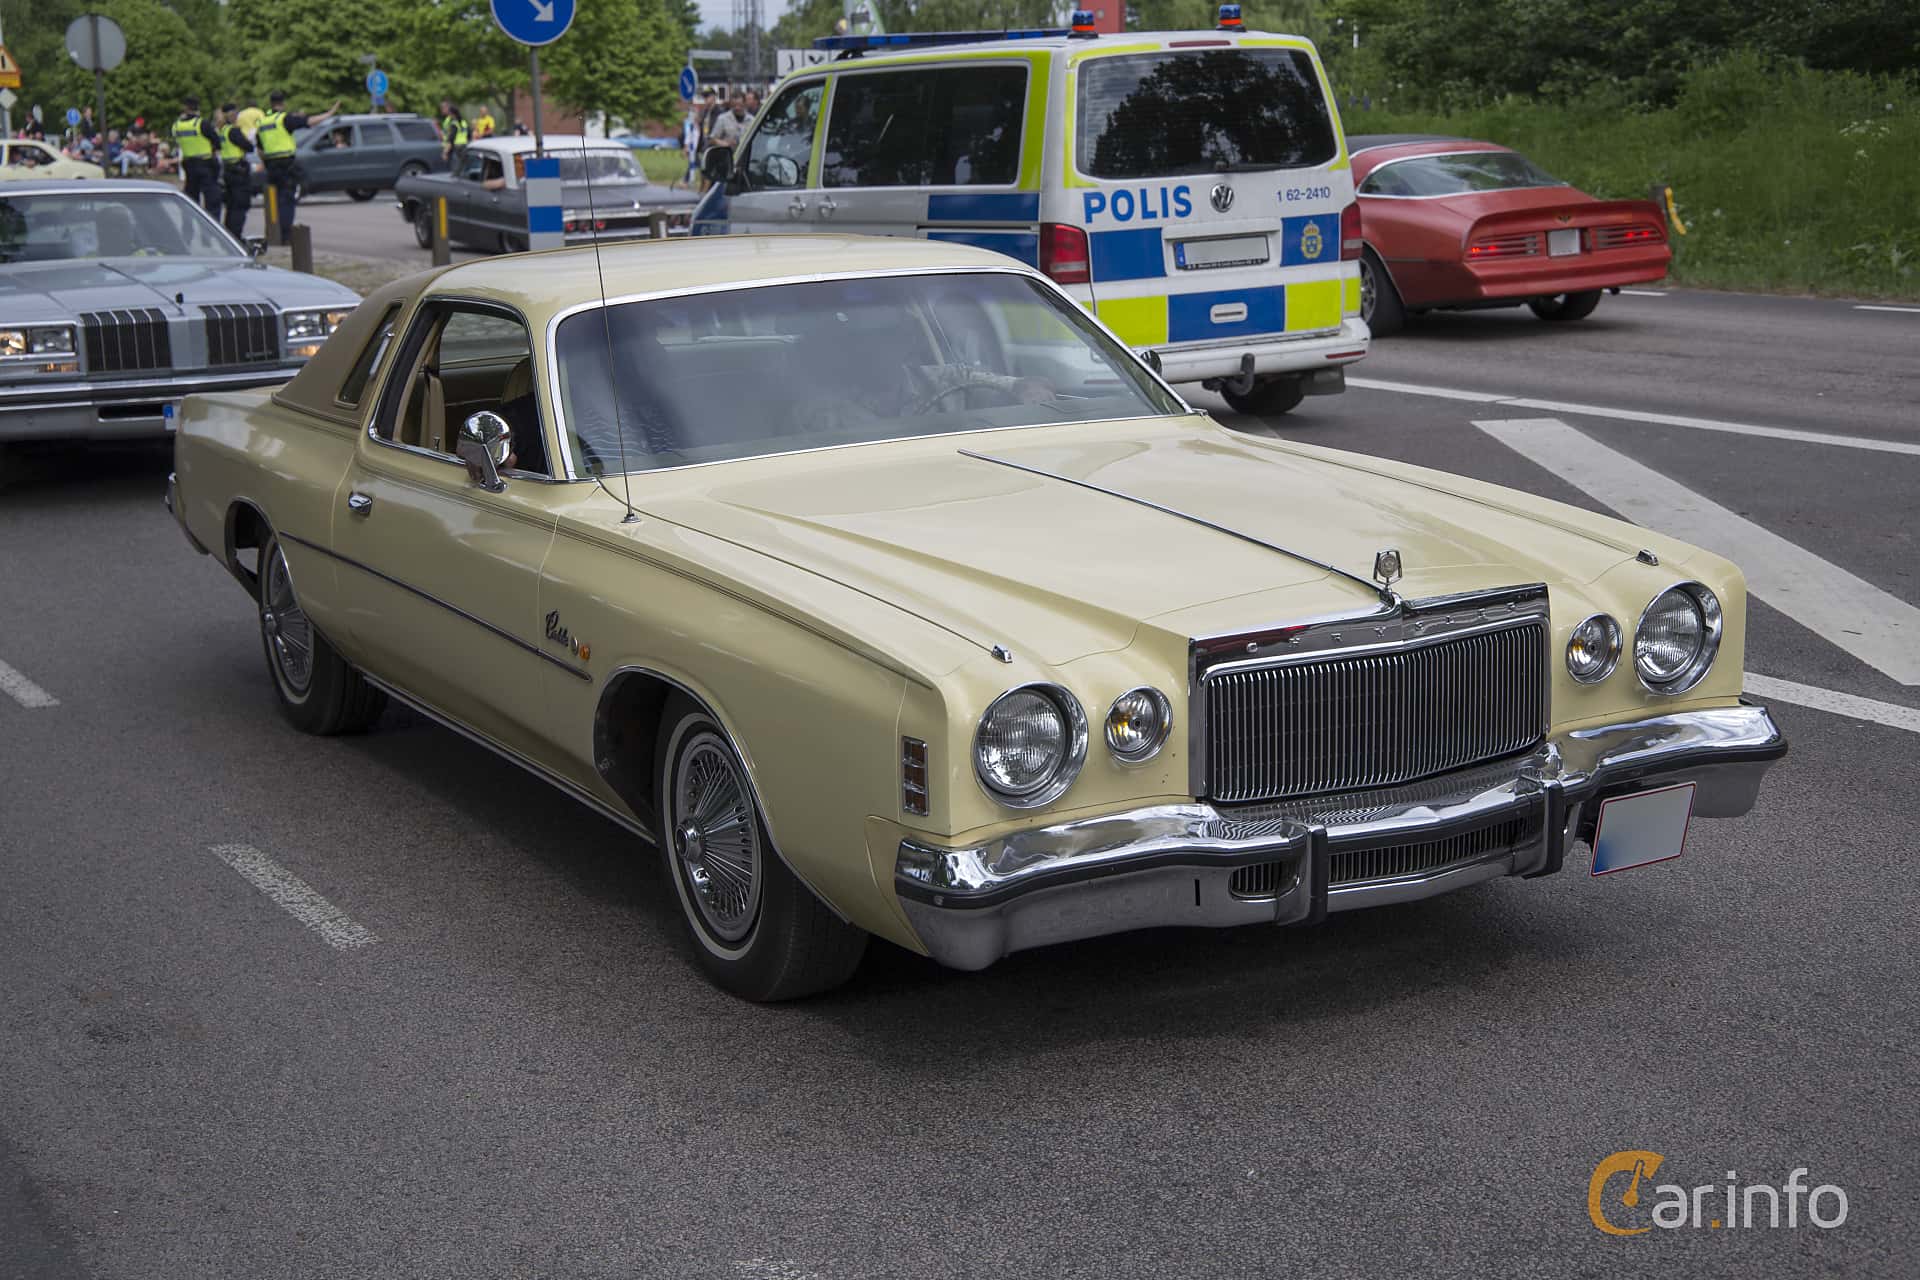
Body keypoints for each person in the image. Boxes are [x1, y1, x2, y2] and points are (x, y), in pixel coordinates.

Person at [256, 91, 341, 239]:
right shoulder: (284, 119)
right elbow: (309, 121)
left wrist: (265, 163)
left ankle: (273, 233)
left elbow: (260, 149)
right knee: (287, 199)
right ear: (282, 103)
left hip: (271, 165)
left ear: (271, 103)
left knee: (274, 201)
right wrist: (329, 114)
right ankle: (285, 234)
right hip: (285, 163)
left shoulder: (263, 122)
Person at [174, 96, 224, 222]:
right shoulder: (201, 124)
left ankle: (188, 230)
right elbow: (217, 142)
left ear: (185, 108)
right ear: (197, 108)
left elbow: (178, 141)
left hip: (188, 165)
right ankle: (211, 228)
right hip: (205, 165)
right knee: (212, 200)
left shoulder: (177, 125)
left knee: (191, 201)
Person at [215, 104, 254, 241]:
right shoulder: (233, 131)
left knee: (231, 206)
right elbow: (249, 147)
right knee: (240, 205)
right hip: (238, 171)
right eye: (236, 114)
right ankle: (236, 236)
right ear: (231, 115)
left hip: (228, 170)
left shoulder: (222, 131)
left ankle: (229, 235)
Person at [438, 100, 469, 169]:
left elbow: (451, 139)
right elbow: (469, 135)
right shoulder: (463, 122)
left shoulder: (453, 123)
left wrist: (445, 152)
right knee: (462, 168)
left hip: (455, 148)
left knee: (455, 170)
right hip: (464, 147)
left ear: (452, 113)